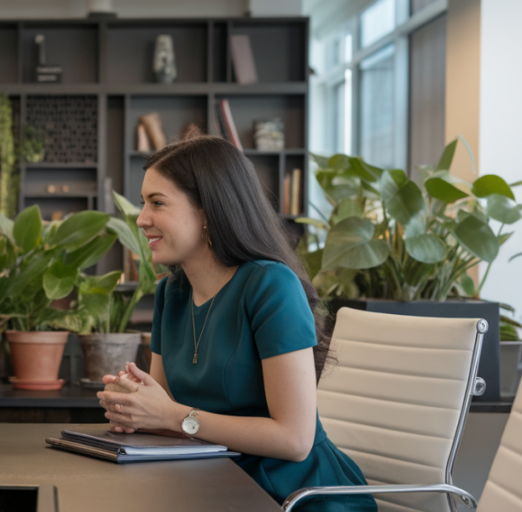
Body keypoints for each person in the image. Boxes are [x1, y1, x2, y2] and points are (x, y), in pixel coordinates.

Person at [97, 136, 376, 511]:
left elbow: (294, 439)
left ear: (209, 211)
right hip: (211, 482)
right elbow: (168, 415)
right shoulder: (171, 294)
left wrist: (172, 416)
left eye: (157, 203)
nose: (142, 218)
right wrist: (137, 409)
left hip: (292, 495)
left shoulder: (271, 286)